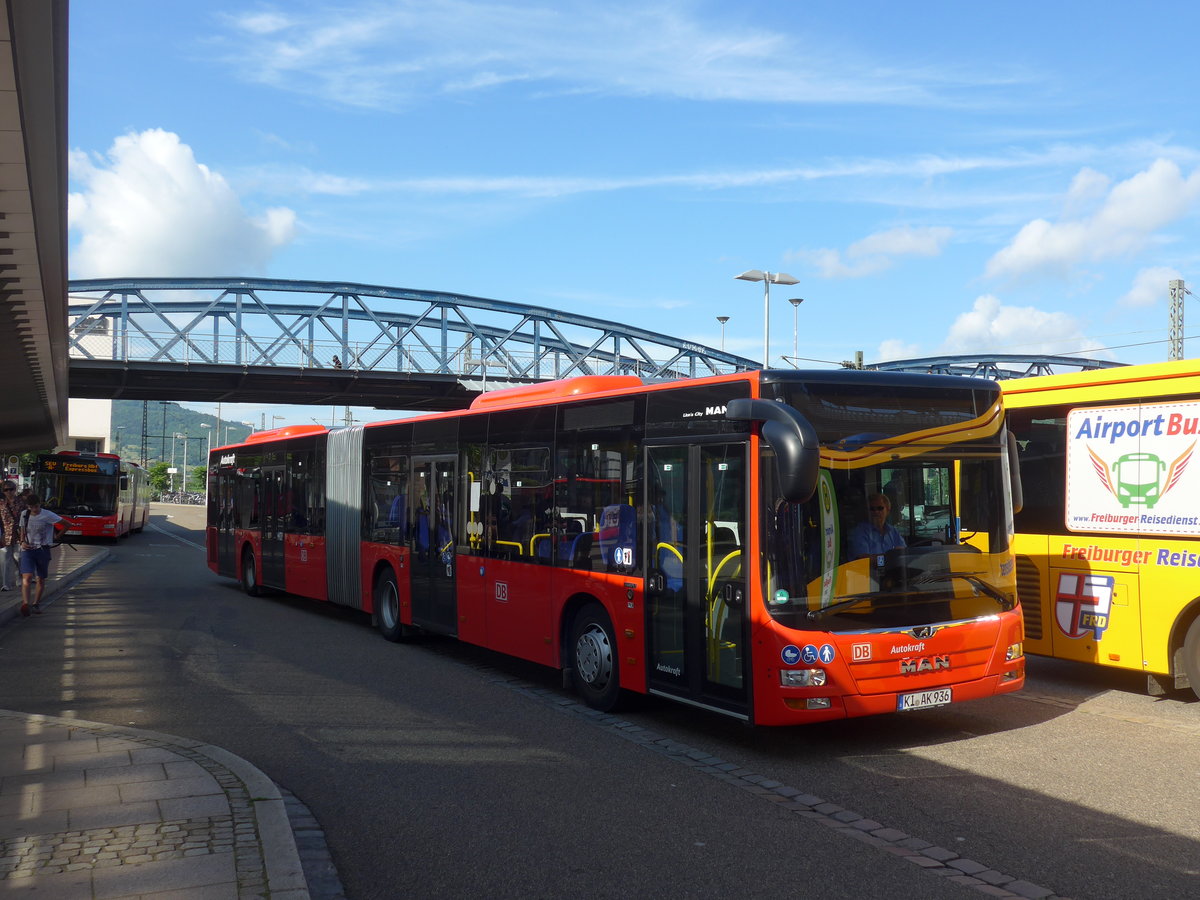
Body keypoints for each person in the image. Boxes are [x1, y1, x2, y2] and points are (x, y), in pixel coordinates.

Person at [17, 494, 74, 617]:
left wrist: (57, 537)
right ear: (28, 506)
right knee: (26, 577)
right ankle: (26, 604)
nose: (34, 510)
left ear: (40, 504)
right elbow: (22, 530)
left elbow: (68, 524)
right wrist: (22, 542)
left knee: (40, 578)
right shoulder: (24, 514)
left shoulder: (48, 515)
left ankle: (36, 603)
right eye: (31, 507)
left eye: (36, 506)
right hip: (27, 550)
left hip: (43, 549)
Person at [848, 492, 905, 560]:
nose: (876, 512)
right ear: (867, 511)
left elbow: (903, 552)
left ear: (888, 510)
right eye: (872, 509)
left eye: (880, 508)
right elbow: (864, 560)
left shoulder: (893, 531)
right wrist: (890, 557)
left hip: (892, 569)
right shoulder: (858, 532)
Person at [0, 481, 19, 590]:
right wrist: (1, 534)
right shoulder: (1, 504)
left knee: (18, 557)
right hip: (6, 534)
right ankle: (6, 584)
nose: (9, 492)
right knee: (6, 560)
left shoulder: (21, 502)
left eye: (11, 489)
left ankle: (20, 579)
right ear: (3, 491)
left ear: (15, 489)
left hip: (19, 534)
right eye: (6, 490)